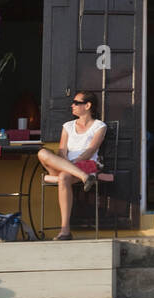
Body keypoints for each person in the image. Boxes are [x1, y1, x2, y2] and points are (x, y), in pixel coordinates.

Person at [38, 91, 106, 240]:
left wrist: (72, 164)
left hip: (87, 164)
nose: (72, 105)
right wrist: (66, 164)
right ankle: (84, 177)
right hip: (68, 166)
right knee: (42, 153)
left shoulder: (99, 126)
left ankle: (65, 231)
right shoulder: (68, 126)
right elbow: (62, 150)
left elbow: (90, 150)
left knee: (63, 177)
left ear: (87, 105)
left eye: (76, 103)